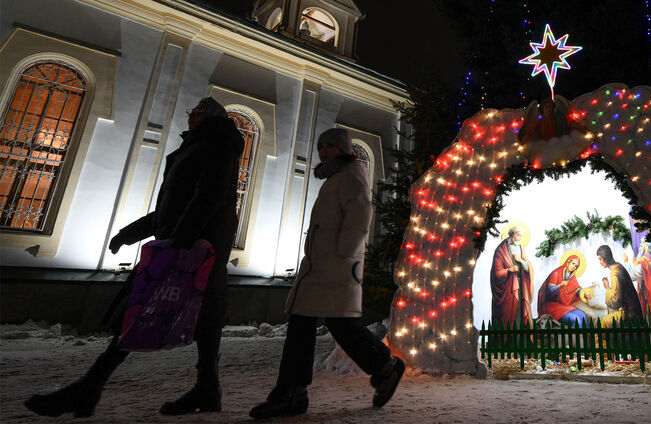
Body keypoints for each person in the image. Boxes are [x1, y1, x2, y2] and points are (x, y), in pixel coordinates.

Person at [25, 97, 244, 417]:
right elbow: (176, 204)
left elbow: (207, 198)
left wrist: (179, 244)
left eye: (194, 112)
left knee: (139, 313)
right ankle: (207, 389)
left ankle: (89, 388)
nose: (190, 116)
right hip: (192, 248)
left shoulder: (217, 145)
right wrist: (130, 233)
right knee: (205, 324)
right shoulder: (201, 146)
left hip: (195, 252)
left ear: (208, 116)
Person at [249, 128, 405, 419]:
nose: (323, 151)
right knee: (318, 325)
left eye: (330, 146)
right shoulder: (338, 175)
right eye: (320, 146)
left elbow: (360, 213)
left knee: (327, 325)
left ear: (343, 149)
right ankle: (297, 391)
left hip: (334, 265)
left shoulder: (350, 175)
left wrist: (343, 251)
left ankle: (294, 393)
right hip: (322, 265)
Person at [490, 225, 535, 327]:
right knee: (508, 314)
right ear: (513, 234)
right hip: (507, 290)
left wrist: (521, 261)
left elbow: (528, 267)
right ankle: (507, 341)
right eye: (519, 236)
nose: (520, 238)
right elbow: (496, 273)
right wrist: (510, 270)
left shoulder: (520, 248)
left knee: (520, 312)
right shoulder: (501, 250)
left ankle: (520, 340)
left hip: (520, 287)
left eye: (521, 236)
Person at [537, 252, 592, 325]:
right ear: (568, 262)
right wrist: (559, 285)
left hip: (564, 306)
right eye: (573, 263)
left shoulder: (572, 278)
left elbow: (577, 290)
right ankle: (577, 336)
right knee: (576, 320)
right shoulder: (556, 273)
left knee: (583, 316)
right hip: (551, 306)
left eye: (576, 266)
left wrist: (584, 293)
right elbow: (549, 293)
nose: (573, 267)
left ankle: (587, 336)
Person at [596, 244, 642, 327]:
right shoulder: (619, 266)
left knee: (603, 322)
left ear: (605, 258)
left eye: (600, 259)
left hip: (629, 313)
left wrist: (607, 288)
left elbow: (616, 302)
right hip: (633, 310)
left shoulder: (615, 274)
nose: (600, 263)